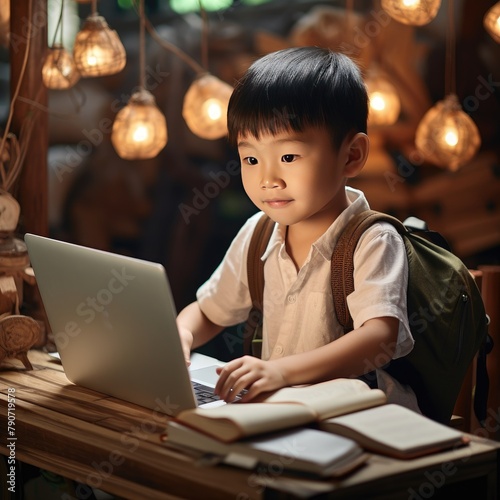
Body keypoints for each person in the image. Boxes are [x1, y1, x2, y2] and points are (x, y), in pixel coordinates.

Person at [177, 46, 419, 412]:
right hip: (280, 411)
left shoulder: (372, 239)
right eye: (251, 158)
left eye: (288, 156)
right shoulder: (259, 232)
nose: (267, 179)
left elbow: (379, 337)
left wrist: (280, 372)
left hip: (356, 418)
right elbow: (209, 311)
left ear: (351, 155)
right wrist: (181, 333)